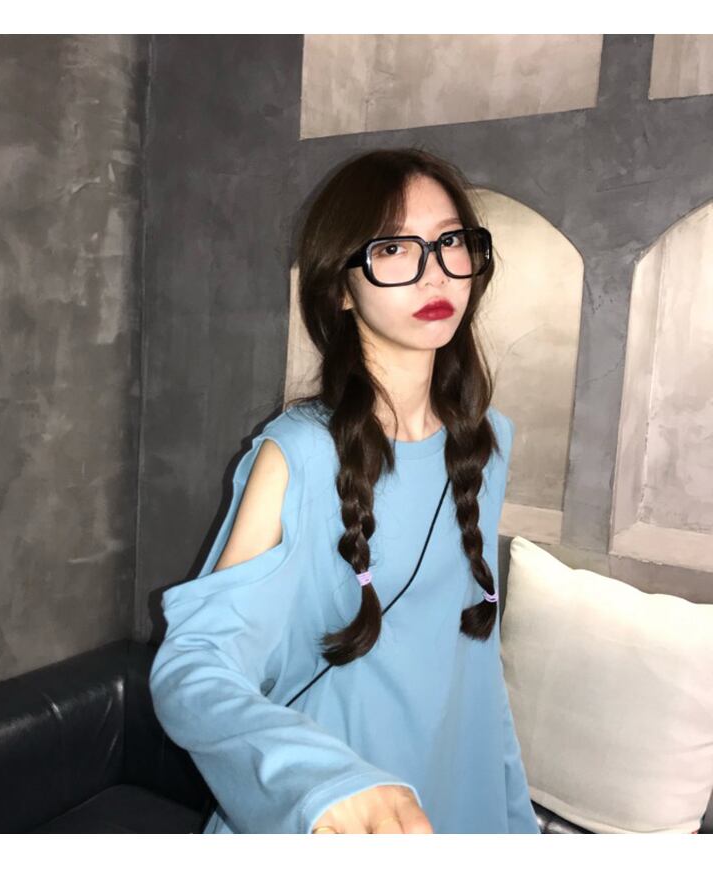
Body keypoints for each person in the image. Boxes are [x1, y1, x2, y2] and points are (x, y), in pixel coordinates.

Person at [149, 147, 542, 835]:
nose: (434, 272)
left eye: (450, 241)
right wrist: (318, 781)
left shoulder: (489, 442)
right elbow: (194, 665)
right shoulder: (298, 453)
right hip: (333, 814)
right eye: (393, 248)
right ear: (340, 288)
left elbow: (474, 673)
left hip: (451, 808)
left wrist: (514, 821)